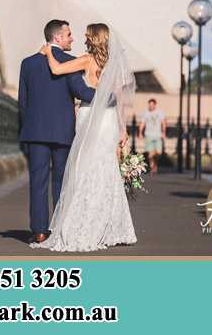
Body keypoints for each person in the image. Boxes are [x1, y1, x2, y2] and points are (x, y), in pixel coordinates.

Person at [30, 23, 137, 252]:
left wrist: (49, 51)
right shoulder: (114, 64)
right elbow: (117, 99)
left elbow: (57, 70)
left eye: (88, 36)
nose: (83, 38)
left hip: (90, 116)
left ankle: (83, 223)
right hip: (108, 120)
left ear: (93, 39)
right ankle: (109, 226)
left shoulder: (87, 60)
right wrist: (122, 129)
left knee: (83, 169)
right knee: (106, 168)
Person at [18, 20, 96, 244]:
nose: (72, 38)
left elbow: (23, 102)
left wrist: (26, 130)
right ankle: (60, 227)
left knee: (38, 181)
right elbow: (80, 91)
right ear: (58, 38)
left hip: (35, 131)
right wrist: (106, 95)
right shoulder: (70, 62)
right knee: (61, 180)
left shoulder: (28, 63)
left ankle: (40, 231)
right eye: (69, 34)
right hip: (62, 131)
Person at [138, 98, 166, 175]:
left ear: (155, 105)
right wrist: (140, 133)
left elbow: (163, 123)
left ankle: (155, 164)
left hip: (158, 135)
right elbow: (142, 123)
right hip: (149, 135)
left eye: (152, 105)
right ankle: (152, 167)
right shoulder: (146, 113)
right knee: (150, 153)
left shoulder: (160, 113)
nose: (150, 106)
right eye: (149, 105)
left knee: (158, 153)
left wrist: (163, 133)